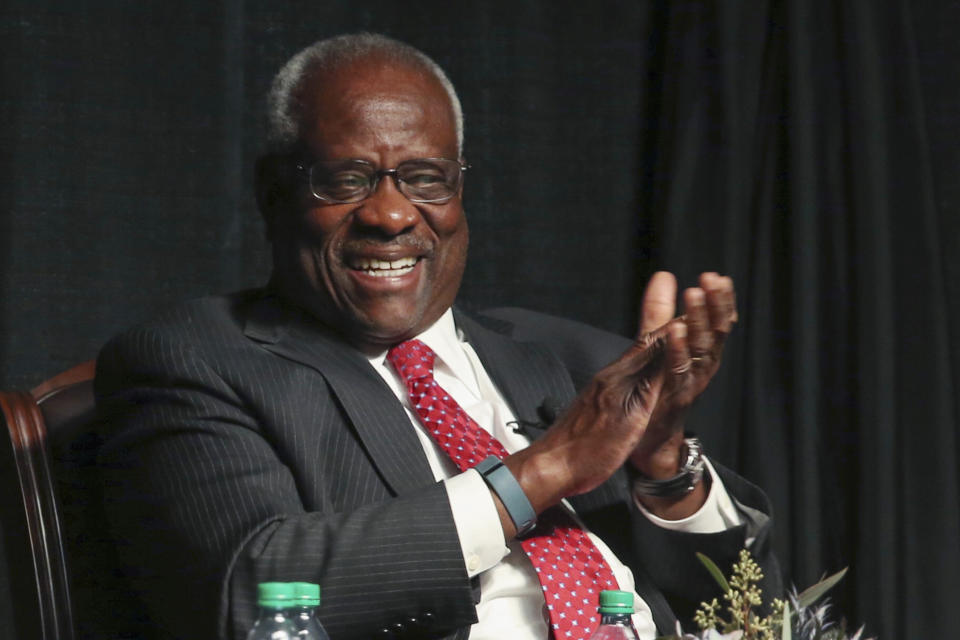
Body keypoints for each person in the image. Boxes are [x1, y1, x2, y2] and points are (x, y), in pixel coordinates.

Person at [95, 33, 779, 640]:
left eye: (425, 178)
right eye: (347, 179)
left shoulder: (577, 361)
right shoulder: (194, 360)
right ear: (274, 196)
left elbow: (758, 616)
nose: (392, 214)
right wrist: (544, 470)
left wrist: (665, 470)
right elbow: (251, 594)